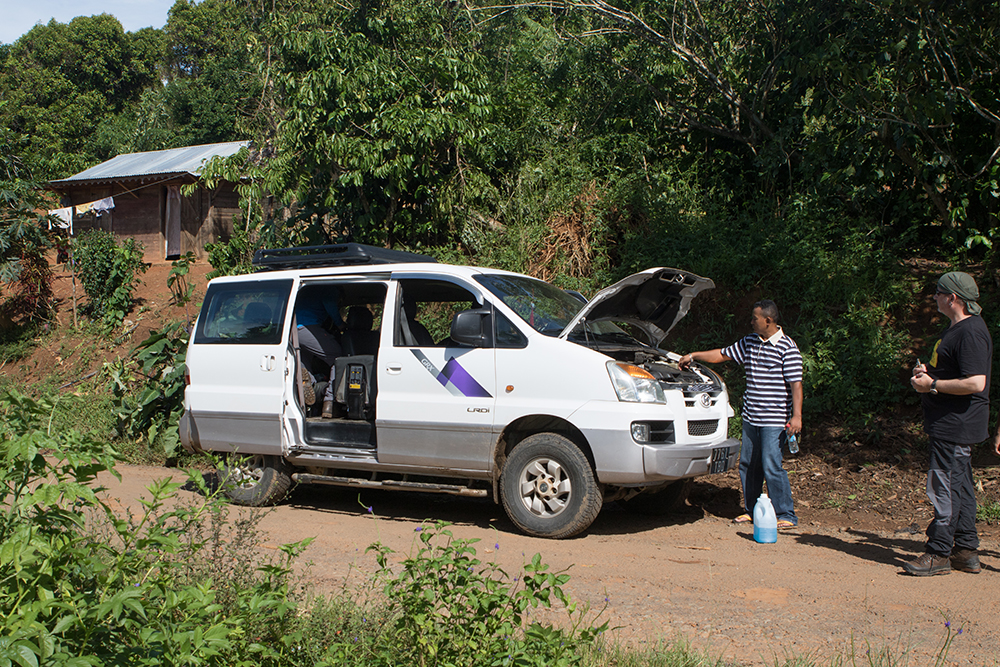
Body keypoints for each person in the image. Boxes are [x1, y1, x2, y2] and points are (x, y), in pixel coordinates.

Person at [679, 299, 803, 529]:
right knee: (748, 464)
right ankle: (752, 510)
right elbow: (722, 354)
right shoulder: (749, 343)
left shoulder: (788, 347)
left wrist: (797, 417)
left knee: (771, 465)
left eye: (754, 318)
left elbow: (796, 385)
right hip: (751, 417)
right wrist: (694, 355)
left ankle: (786, 513)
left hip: (774, 420)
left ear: (768, 320)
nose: (751, 322)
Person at [905, 272, 992, 576]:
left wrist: (933, 385)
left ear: (952, 298)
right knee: (961, 485)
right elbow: (956, 371)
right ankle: (966, 549)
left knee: (944, 485)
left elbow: (976, 382)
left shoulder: (970, 332)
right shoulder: (958, 330)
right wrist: (928, 373)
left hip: (956, 423)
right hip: (951, 422)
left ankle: (938, 552)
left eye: (938, 293)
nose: (935, 298)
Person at [295, 287, 345, 417]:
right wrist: (340, 324)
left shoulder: (308, 289)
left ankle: (309, 384)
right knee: (338, 358)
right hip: (308, 327)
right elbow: (329, 303)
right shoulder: (331, 286)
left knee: (303, 358)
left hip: (292, 330)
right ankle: (330, 402)